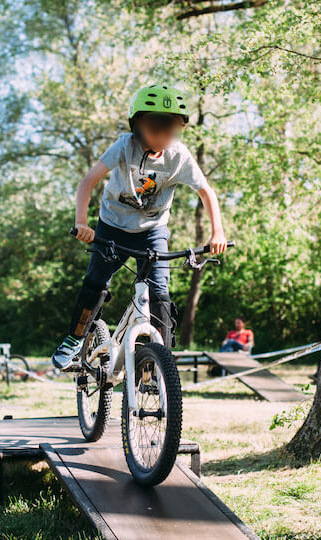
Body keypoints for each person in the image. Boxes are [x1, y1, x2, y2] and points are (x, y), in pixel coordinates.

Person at [52, 84, 227, 369]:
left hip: (152, 231)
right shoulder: (124, 146)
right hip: (112, 226)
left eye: (170, 133)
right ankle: (74, 338)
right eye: (156, 132)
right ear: (138, 127)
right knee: (96, 283)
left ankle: (162, 360)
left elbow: (206, 191)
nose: (163, 139)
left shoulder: (179, 156)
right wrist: (81, 223)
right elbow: (88, 181)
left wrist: (217, 231)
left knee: (160, 293)